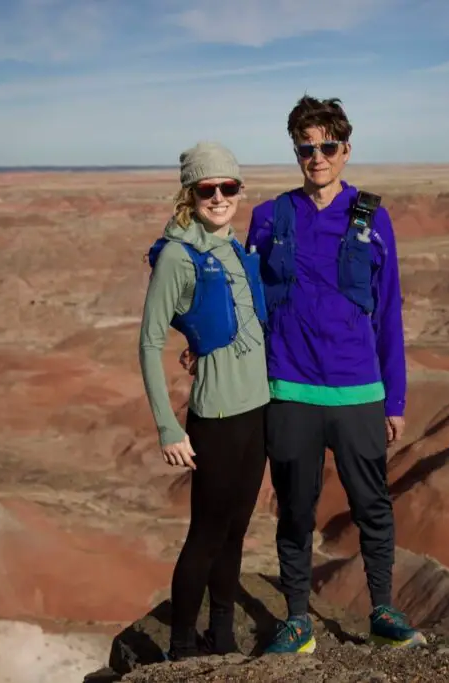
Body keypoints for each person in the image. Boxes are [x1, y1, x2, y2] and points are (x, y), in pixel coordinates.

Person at [181, 96, 425, 654]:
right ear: (296, 151)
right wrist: (202, 337)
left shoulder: (371, 216)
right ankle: (296, 619)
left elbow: (389, 311)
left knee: (372, 505)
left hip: (359, 389)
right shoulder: (270, 217)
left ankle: (383, 610)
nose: (317, 157)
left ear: (345, 150)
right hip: (288, 388)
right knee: (294, 506)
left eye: (327, 146)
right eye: (306, 147)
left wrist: (396, 398)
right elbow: (240, 296)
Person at [139, 141, 270, 661]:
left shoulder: (236, 249)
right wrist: (169, 427)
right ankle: (180, 645)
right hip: (215, 416)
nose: (219, 197)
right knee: (207, 533)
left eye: (228, 187)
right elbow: (149, 342)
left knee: (237, 528)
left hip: (256, 411)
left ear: (239, 189)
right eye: (207, 188)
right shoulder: (178, 254)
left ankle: (222, 635)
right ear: (190, 194)